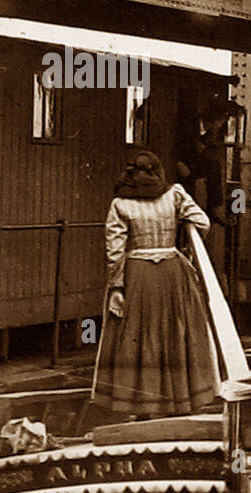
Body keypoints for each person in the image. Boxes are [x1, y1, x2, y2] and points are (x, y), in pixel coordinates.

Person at [92, 150, 219, 417]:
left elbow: (115, 253)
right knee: (174, 331)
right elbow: (202, 222)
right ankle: (180, 400)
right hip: (172, 271)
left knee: (138, 335)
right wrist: (183, 247)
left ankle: (139, 403)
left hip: (137, 273)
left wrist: (116, 287)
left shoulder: (120, 204)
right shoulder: (175, 194)